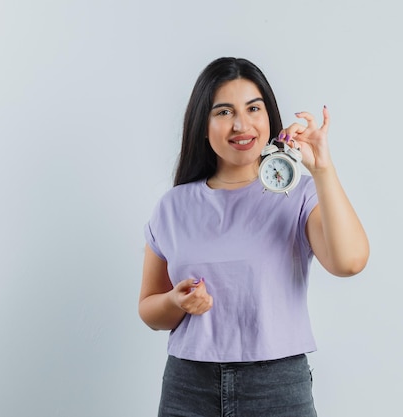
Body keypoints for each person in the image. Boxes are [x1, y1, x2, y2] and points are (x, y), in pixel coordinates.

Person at [138, 57, 369, 417]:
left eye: (253, 108)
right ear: (202, 123)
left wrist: (322, 168)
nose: (241, 124)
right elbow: (150, 310)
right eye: (224, 111)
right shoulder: (173, 205)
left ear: (269, 117)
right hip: (188, 386)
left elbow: (350, 262)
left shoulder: (300, 195)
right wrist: (175, 303)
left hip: (276, 385)